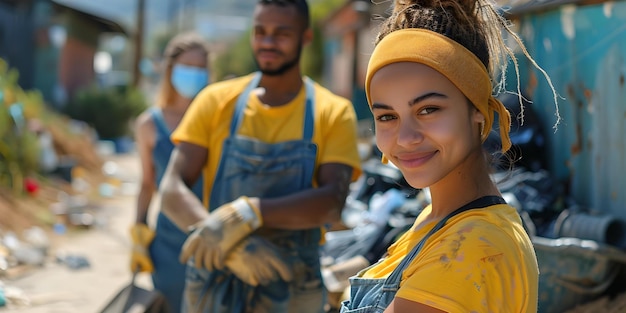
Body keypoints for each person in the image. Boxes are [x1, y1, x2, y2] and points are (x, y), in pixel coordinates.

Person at [339, 0, 559, 312]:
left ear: (477, 111)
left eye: (428, 110)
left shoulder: (468, 250)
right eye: (387, 117)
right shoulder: (439, 220)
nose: (406, 138)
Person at [158, 0, 363, 312]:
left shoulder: (332, 112)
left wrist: (250, 212)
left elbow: (331, 202)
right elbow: (171, 189)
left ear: (306, 37)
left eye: (281, 34)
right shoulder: (215, 102)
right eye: (260, 32)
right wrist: (225, 241)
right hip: (216, 278)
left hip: (293, 283)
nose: (267, 42)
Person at [130, 32, 210, 313]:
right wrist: (139, 233)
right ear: (170, 69)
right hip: (166, 246)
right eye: (188, 66)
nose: (194, 74)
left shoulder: (215, 120)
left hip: (211, 240)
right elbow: (147, 184)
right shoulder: (149, 124)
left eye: (201, 69)